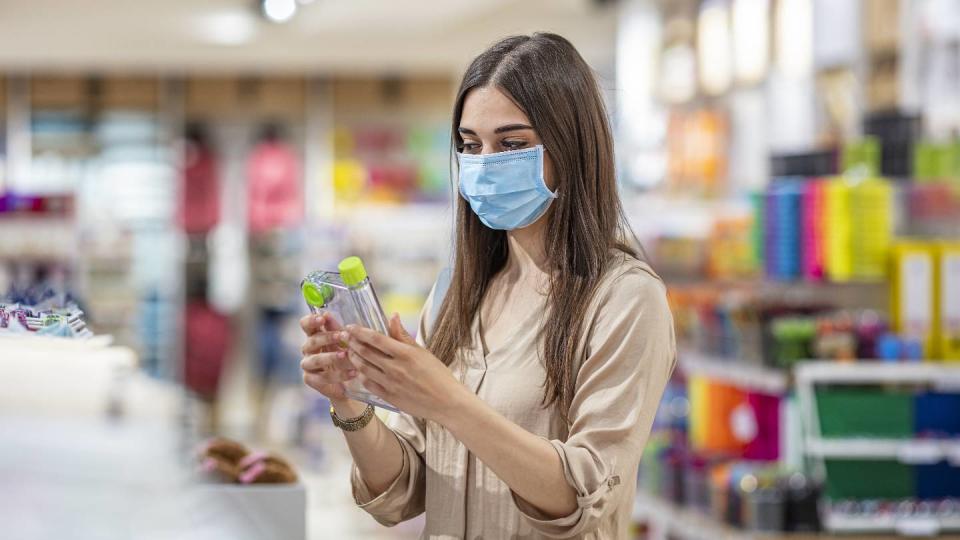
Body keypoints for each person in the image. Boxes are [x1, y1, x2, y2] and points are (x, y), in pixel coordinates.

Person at [300, 32, 676, 539]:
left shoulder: (624, 299)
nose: (484, 164)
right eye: (471, 146)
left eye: (512, 144)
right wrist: (349, 398)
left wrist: (447, 401)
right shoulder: (461, 290)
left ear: (571, 147)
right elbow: (403, 490)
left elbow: (578, 499)